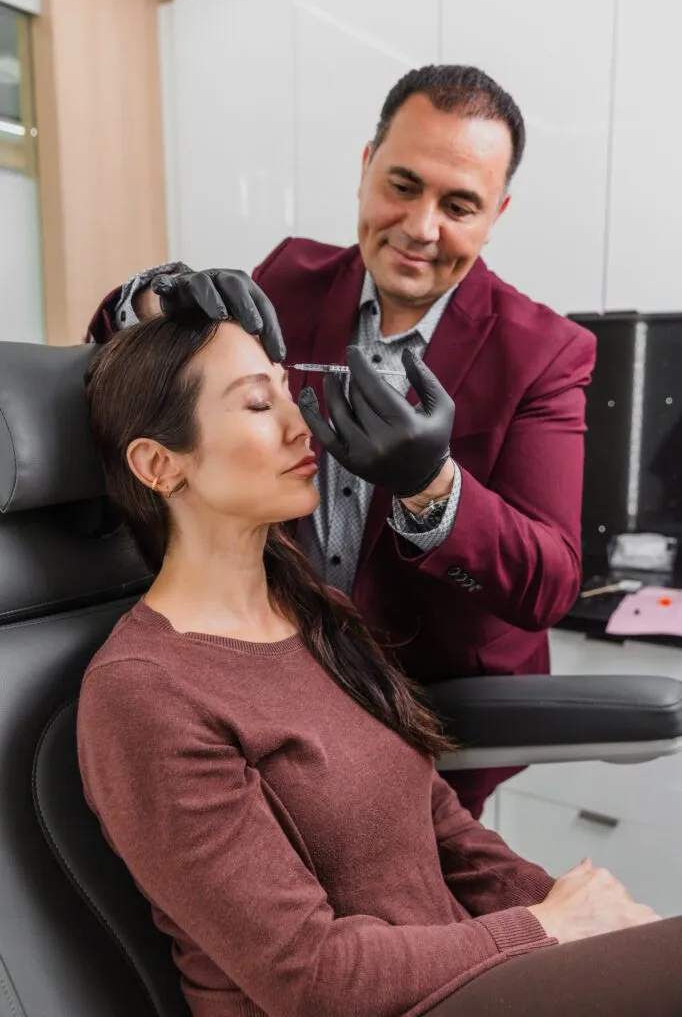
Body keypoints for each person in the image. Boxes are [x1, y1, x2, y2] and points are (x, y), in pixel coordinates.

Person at [78, 310, 681, 1017]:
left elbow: (444, 829)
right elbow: (312, 979)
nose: (301, 425)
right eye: (255, 402)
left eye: (285, 390)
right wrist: (549, 927)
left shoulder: (315, 613)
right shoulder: (145, 695)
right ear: (158, 463)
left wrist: (586, 920)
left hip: (466, 978)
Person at [85, 64, 597, 818]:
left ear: (498, 213)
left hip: (430, 711)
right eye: (402, 185)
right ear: (365, 168)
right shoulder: (287, 282)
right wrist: (151, 296)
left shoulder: (544, 353)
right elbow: (123, 371)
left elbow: (550, 584)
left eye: (459, 205)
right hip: (272, 694)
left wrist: (434, 488)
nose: (421, 228)